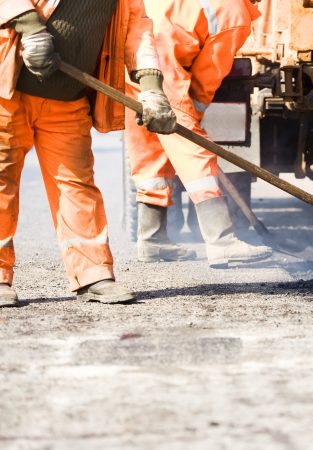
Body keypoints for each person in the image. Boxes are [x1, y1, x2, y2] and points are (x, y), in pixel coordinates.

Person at [0, 0, 178, 306]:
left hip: (67, 98)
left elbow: (137, 27)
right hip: (9, 88)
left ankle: (93, 275)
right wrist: (29, 26)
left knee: (77, 185)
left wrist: (151, 86)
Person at [125, 0, 272, 268]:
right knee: (196, 156)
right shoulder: (235, 13)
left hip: (134, 64)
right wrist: (193, 115)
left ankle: (152, 239)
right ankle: (222, 242)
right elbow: (208, 76)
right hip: (164, 75)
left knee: (151, 154)